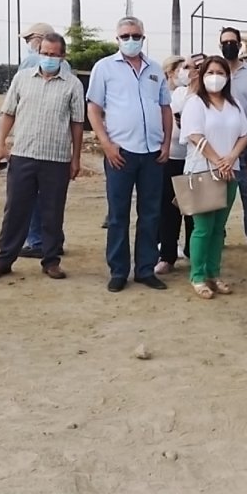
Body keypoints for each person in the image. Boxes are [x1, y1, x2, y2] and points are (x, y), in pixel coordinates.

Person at [0, 32, 84, 282]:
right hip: (23, 154)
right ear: (39, 53)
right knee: (15, 209)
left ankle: (51, 261)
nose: (48, 58)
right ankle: (4, 259)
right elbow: (8, 113)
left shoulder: (72, 85)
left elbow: (77, 123)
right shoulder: (22, 79)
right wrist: (0, 145)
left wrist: (76, 158)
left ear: (62, 56)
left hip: (56, 158)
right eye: (45, 53)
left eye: (53, 54)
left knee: (52, 211)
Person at [86, 16, 173, 293]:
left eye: (135, 35)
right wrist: (106, 144)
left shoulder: (155, 69)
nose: (131, 40)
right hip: (120, 152)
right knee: (118, 214)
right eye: (125, 36)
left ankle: (146, 269)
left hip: (152, 154)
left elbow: (165, 108)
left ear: (143, 37)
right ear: (117, 38)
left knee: (150, 214)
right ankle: (119, 271)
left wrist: (167, 144)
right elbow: (94, 109)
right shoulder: (104, 68)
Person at [179, 55, 247, 299]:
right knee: (203, 227)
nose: (215, 78)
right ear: (202, 76)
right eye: (210, 73)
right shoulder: (195, 103)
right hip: (202, 170)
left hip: (229, 172)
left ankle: (213, 272)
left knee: (219, 227)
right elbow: (194, 135)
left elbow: (244, 134)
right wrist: (218, 159)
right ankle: (197, 276)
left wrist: (231, 158)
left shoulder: (235, 104)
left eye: (220, 73)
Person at [15, 21, 71, 260]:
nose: (29, 44)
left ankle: (37, 240)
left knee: (31, 200)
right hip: (57, 145)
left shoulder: (30, 63)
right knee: (52, 202)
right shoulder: (65, 65)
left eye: (29, 39)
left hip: (32, 144)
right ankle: (53, 241)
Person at [155, 53, 202, 274]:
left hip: (195, 161)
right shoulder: (177, 94)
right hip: (171, 158)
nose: (189, 71)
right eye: (185, 67)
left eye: (194, 68)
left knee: (193, 210)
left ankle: (195, 252)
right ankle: (167, 255)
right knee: (169, 209)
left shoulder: (206, 96)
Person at [220, 27, 247, 250]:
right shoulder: (214, 72)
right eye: (224, 42)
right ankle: (219, 234)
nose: (229, 45)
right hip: (219, 145)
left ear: (240, 44)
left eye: (232, 42)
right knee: (219, 194)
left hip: (245, 142)